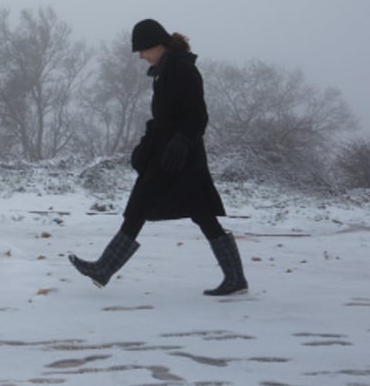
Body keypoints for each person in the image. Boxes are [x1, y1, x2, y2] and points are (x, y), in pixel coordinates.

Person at [68, 18, 248, 296]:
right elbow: (162, 119)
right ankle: (105, 268)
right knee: (159, 209)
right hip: (166, 156)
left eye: (142, 50)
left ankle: (235, 279)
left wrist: (181, 142)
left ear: (157, 44)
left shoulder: (183, 70)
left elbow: (197, 116)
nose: (140, 56)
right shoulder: (165, 71)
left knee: (186, 212)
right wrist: (144, 146)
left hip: (181, 159)